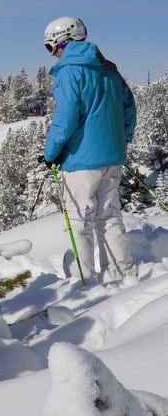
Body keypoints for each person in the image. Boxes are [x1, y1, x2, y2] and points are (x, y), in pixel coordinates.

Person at [42, 16, 137, 282]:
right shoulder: (109, 69)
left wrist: (51, 153)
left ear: (64, 41)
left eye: (52, 47)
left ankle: (83, 281)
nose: (53, 54)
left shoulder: (69, 71)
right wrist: (121, 140)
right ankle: (124, 274)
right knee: (109, 217)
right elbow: (129, 108)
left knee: (79, 222)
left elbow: (67, 116)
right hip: (112, 156)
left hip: (81, 161)